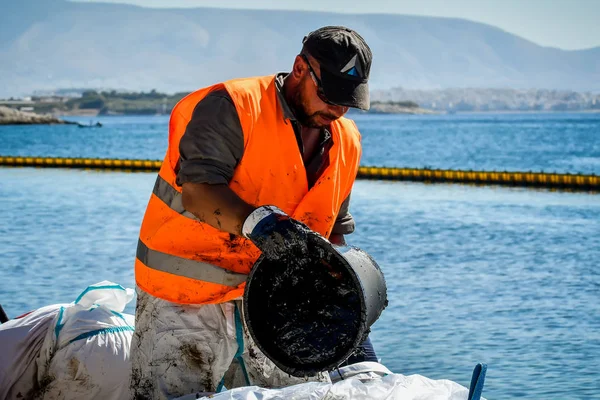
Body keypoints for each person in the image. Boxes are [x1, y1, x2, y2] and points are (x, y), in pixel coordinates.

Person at [130, 25, 376, 399]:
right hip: (184, 298)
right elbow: (198, 191)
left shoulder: (347, 141)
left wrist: (350, 329)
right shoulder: (232, 106)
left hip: (275, 306)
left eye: (348, 101)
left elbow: (331, 235)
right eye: (329, 95)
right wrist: (264, 225)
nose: (337, 109)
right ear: (299, 68)